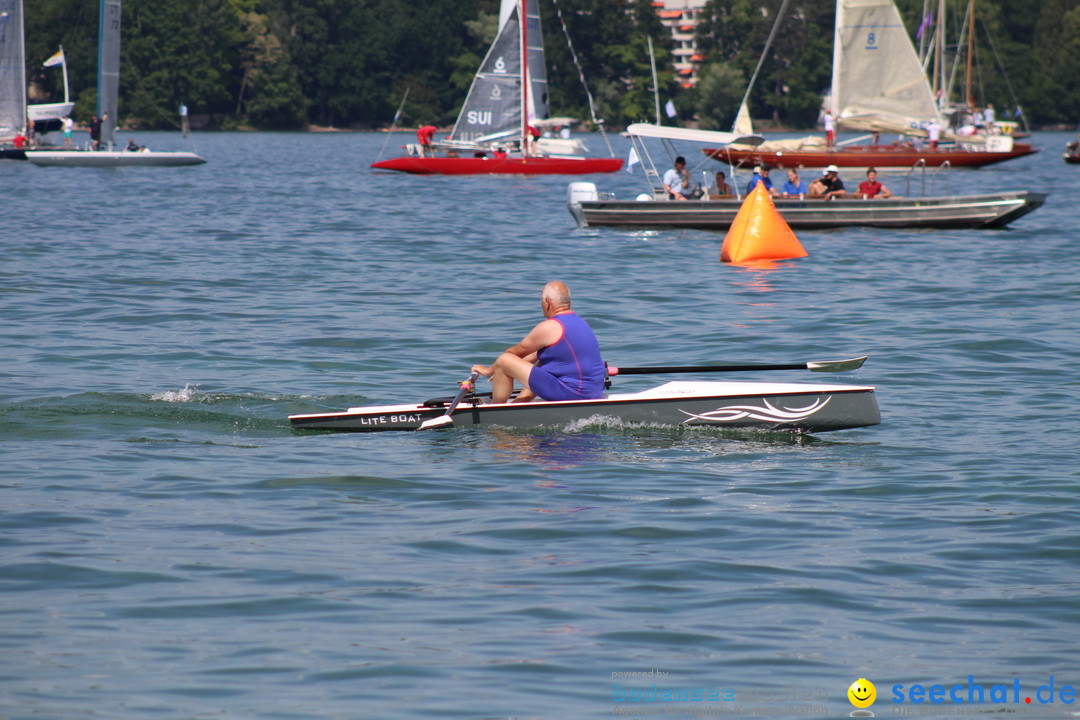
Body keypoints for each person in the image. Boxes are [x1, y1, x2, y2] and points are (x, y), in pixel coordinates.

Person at [471, 281, 605, 404]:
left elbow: (513, 354)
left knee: (504, 359)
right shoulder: (581, 322)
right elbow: (530, 359)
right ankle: (519, 404)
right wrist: (504, 371)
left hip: (573, 393)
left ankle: (496, 410)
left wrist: (489, 370)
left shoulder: (550, 326)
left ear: (547, 302)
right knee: (544, 365)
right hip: (594, 390)